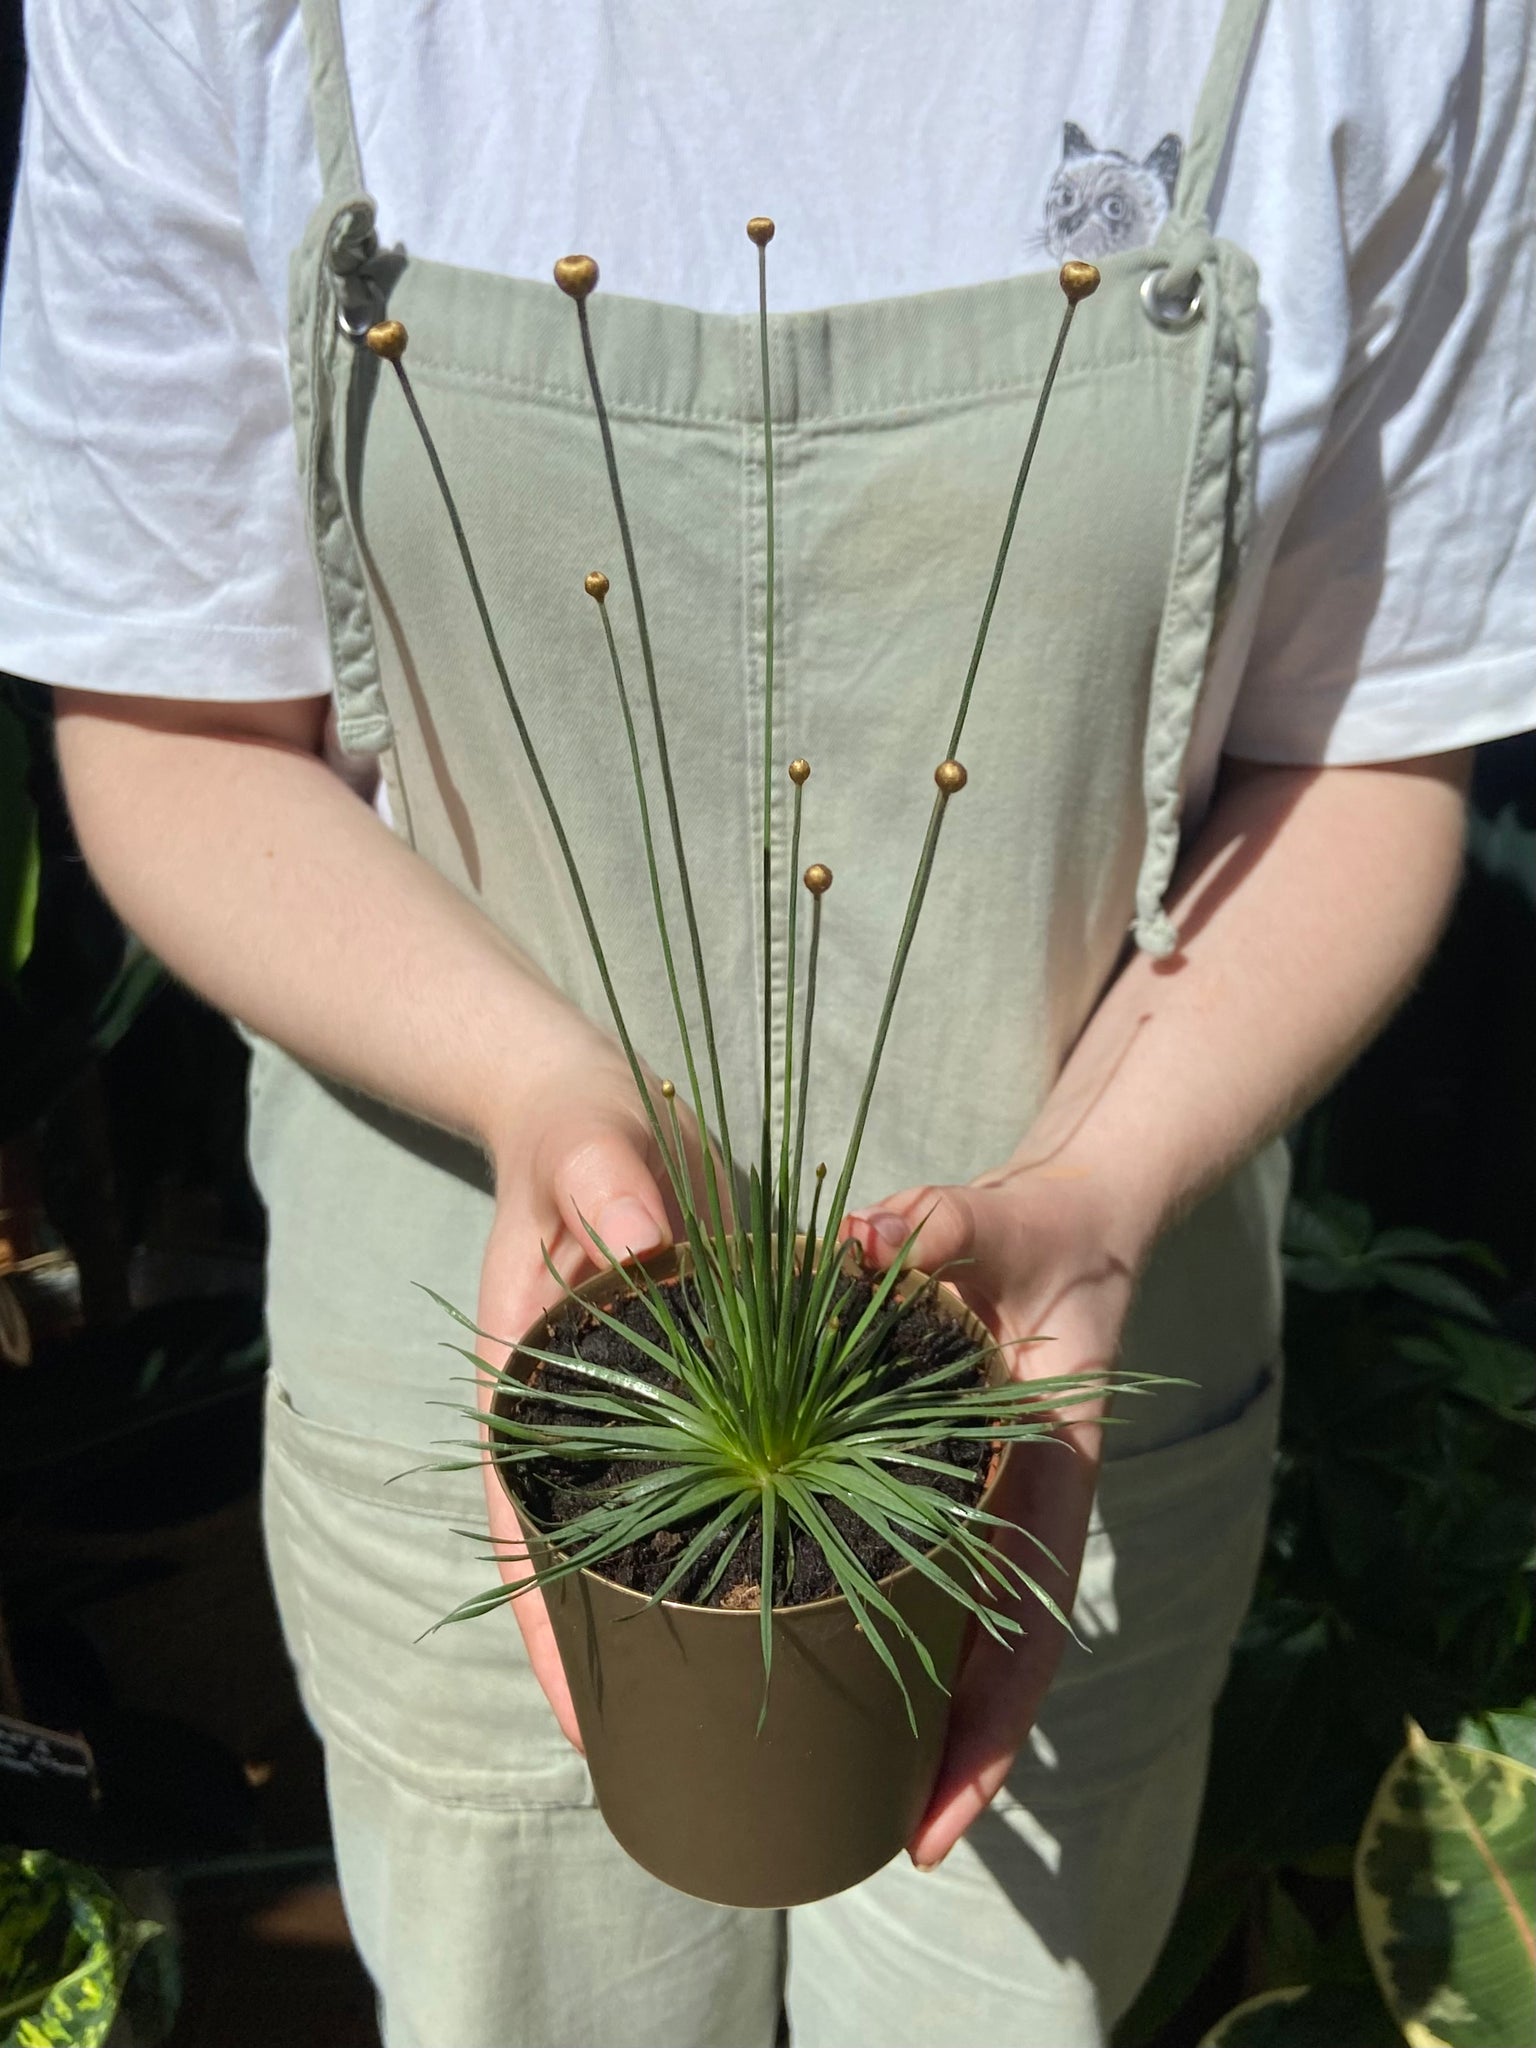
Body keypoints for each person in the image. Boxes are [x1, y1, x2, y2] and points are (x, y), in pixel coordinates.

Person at [2, 2, 1531, 2043]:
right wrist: (534, 1087)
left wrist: (1094, 1191)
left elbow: (1366, 741)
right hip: (490, 1371)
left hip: (1055, 1398)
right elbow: (176, 721)